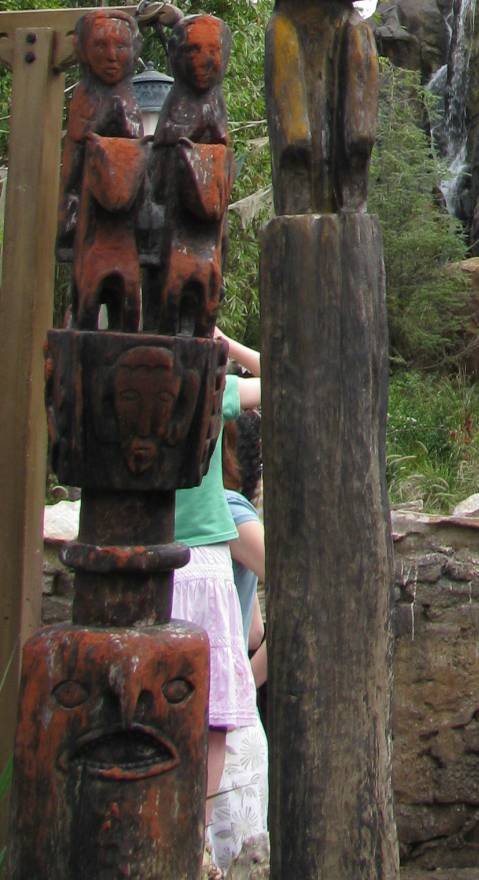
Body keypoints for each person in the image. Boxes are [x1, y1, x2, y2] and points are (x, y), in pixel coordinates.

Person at [173, 325, 262, 831]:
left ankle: (193, 835)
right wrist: (227, 346)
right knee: (211, 720)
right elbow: (285, 376)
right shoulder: (210, 387)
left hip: (151, 558)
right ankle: (199, 837)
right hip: (199, 559)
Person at [209, 412, 270, 870]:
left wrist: (243, 682)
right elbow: (253, 630)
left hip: (221, 714)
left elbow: (298, 594)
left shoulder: (225, 511)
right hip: (224, 716)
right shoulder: (226, 511)